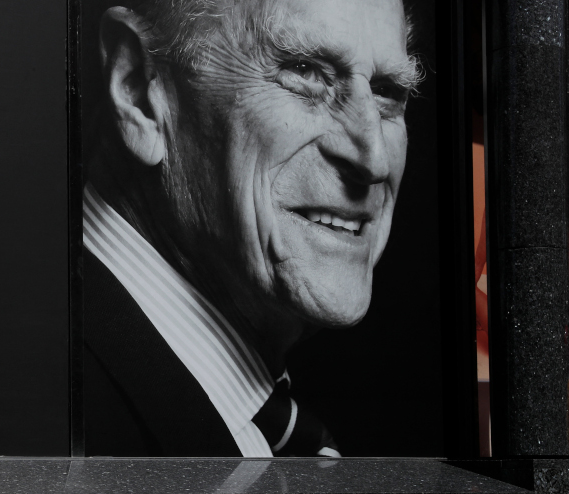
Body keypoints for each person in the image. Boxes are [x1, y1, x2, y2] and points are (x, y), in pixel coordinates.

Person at [83, 0, 421, 457]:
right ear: (140, 91)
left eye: (386, 91)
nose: (374, 159)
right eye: (305, 72)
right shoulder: (42, 411)